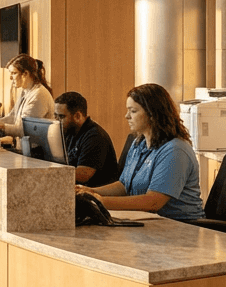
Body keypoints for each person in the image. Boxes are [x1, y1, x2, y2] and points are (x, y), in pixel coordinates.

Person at [77, 83, 205, 222]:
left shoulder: (175, 151)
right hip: (147, 222)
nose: (127, 116)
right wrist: (89, 192)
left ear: (152, 114)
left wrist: (100, 201)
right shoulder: (139, 143)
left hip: (180, 226)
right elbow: (124, 185)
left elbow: (153, 202)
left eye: (133, 111)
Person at [54, 91, 120, 187]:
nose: (56, 121)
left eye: (61, 117)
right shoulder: (69, 131)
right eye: (55, 116)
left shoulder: (95, 137)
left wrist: (48, 173)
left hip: (94, 193)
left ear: (77, 116)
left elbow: (82, 176)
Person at [0, 53, 55, 141]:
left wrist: (1, 127)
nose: (11, 78)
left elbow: (24, 129)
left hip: (36, 152)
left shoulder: (38, 95)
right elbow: (12, 117)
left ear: (25, 73)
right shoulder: (25, 91)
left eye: (14, 73)